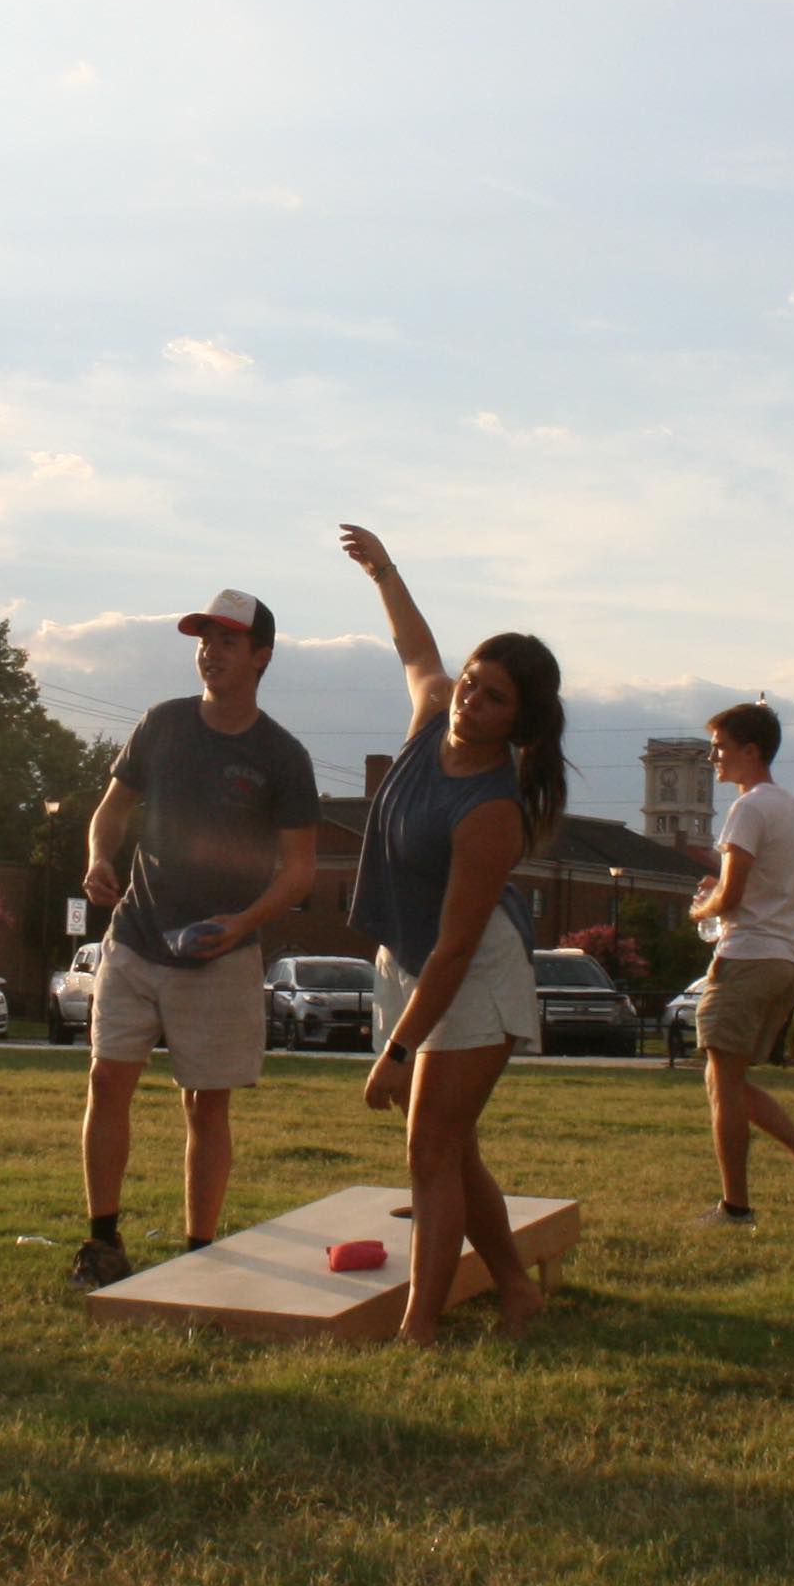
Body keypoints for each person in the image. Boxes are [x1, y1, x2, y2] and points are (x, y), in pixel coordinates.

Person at [341, 524, 569, 1346]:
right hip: (408, 959)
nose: (470, 699)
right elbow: (414, 649)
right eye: (473, 682)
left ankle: (418, 1330)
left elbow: (458, 948)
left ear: (521, 724)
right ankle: (516, 1289)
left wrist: (396, 1052)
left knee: (430, 1151)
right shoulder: (433, 712)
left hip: (470, 974)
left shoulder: (494, 813)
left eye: (493, 696)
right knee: (453, 1150)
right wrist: (385, 572)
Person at [69, 589, 320, 1289]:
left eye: (227, 642)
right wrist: (98, 858)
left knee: (205, 1103)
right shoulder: (163, 725)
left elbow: (299, 874)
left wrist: (238, 927)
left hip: (221, 957)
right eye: (203, 639)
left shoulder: (282, 756)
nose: (209, 652)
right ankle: (102, 1241)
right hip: (135, 939)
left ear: (261, 658)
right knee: (106, 1079)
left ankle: (199, 1250)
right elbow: (110, 810)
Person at [690, 702, 794, 1229]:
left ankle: (737, 1208)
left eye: (720, 746)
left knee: (723, 1083)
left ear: (750, 752)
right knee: (724, 1081)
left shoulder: (749, 807)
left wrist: (702, 904)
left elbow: (730, 896)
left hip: (747, 958)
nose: (713, 756)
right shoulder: (791, 809)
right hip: (785, 961)